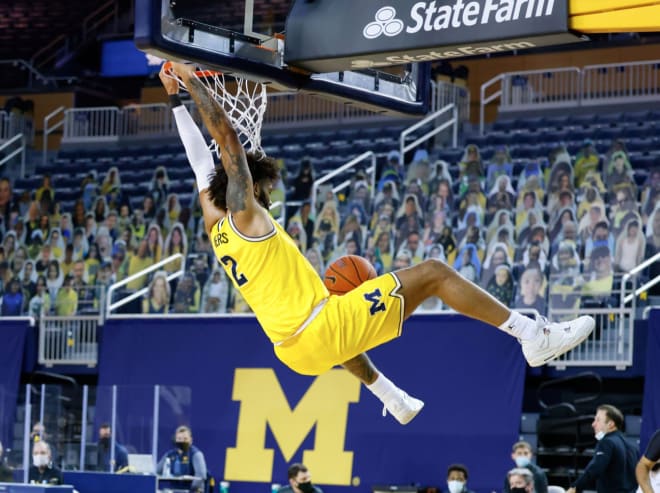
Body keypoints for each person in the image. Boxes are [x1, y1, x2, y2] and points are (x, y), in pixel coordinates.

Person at [161, 62, 594, 426]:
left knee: (339, 313)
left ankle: (391, 397)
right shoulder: (245, 213)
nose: (267, 196)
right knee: (433, 273)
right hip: (319, 330)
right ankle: (530, 334)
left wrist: (174, 101)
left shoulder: (214, 222)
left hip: (294, 353)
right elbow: (225, 140)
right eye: (263, 188)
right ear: (249, 186)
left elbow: (200, 162)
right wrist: (185, 75)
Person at [567, 404, 638, 493]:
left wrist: (575, 487)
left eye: (598, 420)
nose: (593, 424)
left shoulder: (606, 442)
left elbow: (595, 469)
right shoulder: (633, 446)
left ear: (610, 424)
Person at [156, 426, 207, 493]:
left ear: (191, 440)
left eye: (185, 439)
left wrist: (191, 490)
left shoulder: (196, 454)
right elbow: (156, 472)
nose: (182, 441)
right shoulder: (170, 455)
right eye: (179, 439)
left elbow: (201, 476)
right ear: (175, 440)